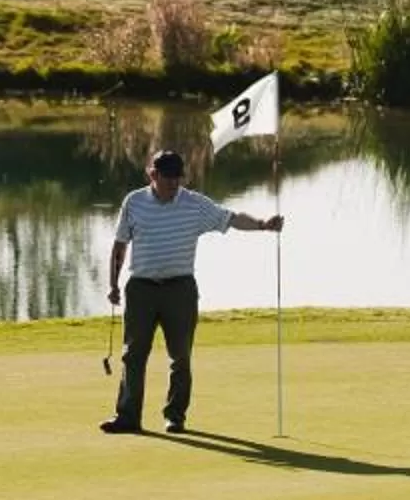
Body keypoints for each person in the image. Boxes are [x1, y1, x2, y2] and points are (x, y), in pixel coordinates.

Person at [103, 148, 284, 436]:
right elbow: (120, 246)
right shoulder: (134, 202)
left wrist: (263, 225)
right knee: (133, 356)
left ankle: (175, 417)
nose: (174, 184)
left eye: (178, 178)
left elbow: (231, 218)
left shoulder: (194, 205)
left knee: (181, 357)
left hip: (180, 288)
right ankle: (127, 417)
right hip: (141, 288)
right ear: (153, 175)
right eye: (168, 178)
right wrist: (113, 284)